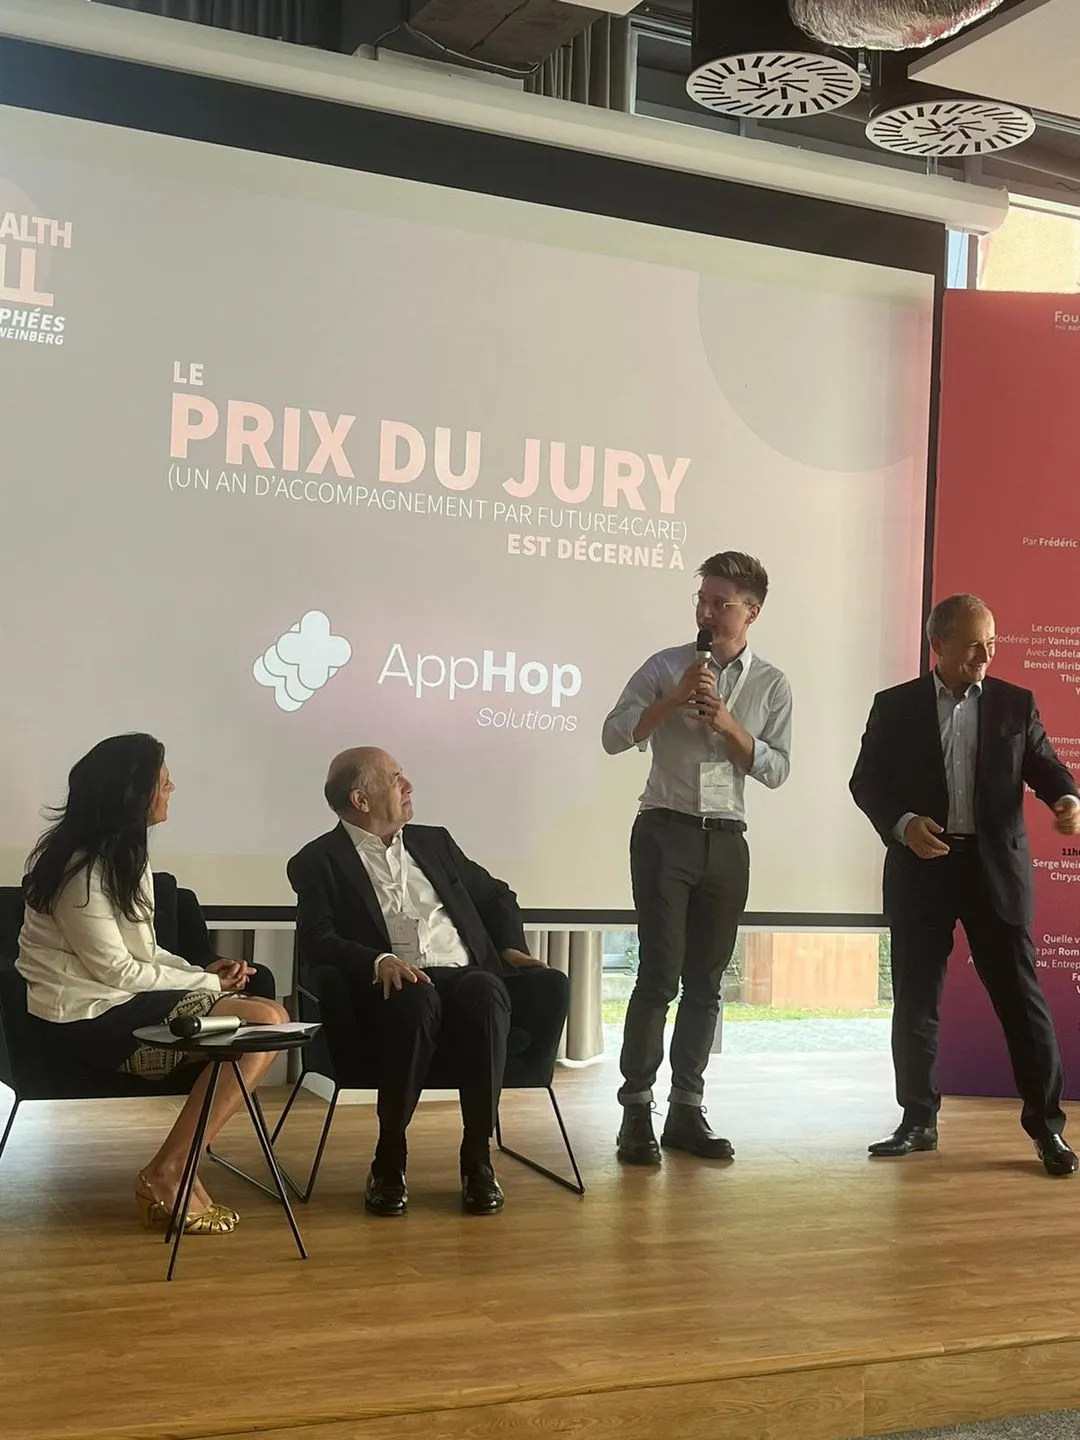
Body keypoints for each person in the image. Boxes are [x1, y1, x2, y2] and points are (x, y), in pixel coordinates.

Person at [17, 734, 290, 1232]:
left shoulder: (125, 857)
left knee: (267, 1021)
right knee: (265, 1023)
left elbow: (145, 952)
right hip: (86, 1021)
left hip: (122, 1004)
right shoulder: (79, 872)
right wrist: (207, 987)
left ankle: (174, 1167)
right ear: (132, 793)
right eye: (163, 782)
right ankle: (170, 1171)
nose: (172, 789)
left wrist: (204, 975)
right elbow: (117, 972)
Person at [850, 594, 1080, 1176]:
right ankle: (917, 1121)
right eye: (975, 645)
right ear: (938, 645)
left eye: (992, 644)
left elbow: (1044, 763)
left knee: (1022, 1003)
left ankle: (1047, 1128)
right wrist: (903, 824)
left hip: (993, 870)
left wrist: (1065, 796)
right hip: (921, 865)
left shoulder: (1014, 703)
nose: (986, 655)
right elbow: (866, 781)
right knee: (916, 1001)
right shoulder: (895, 706)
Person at [287, 748, 554, 1218]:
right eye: (395, 779)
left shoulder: (435, 842)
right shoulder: (318, 861)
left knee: (487, 992)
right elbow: (316, 938)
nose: (408, 786)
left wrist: (510, 945)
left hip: (463, 973)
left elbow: (497, 895)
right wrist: (378, 960)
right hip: (392, 985)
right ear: (361, 799)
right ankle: (389, 1158)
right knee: (415, 1000)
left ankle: (477, 1158)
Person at [602, 551, 792, 1165]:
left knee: (706, 983)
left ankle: (687, 1108)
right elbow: (613, 735)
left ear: (751, 612)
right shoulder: (665, 666)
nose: (706, 612)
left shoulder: (772, 685)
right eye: (702, 600)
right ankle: (636, 1109)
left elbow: (777, 770)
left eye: (720, 603)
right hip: (665, 831)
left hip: (727, 839)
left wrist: (731, 726)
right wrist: (672, 700)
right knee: (659, 973)